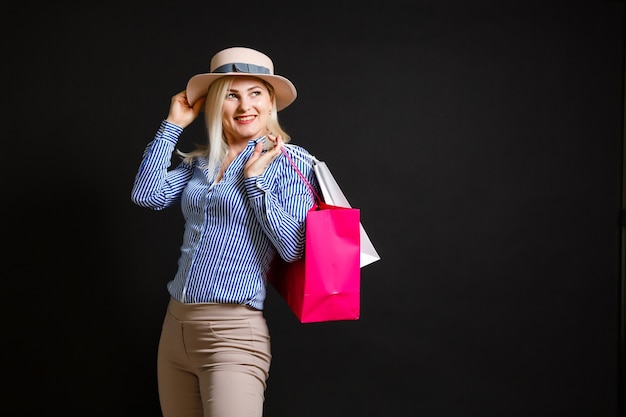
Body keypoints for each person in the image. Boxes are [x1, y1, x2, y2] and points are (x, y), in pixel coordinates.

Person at [131, 46, 318, 417]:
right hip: (176, 329)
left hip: (233, 334)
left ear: (270, 103)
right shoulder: (203, 162)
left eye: (255, 93)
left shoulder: (292, 163)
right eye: (231, 94)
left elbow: (294, 247)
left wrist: (254, 181)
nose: (244, 105)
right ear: (216, 103)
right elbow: (147, 195)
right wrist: (173, 126)